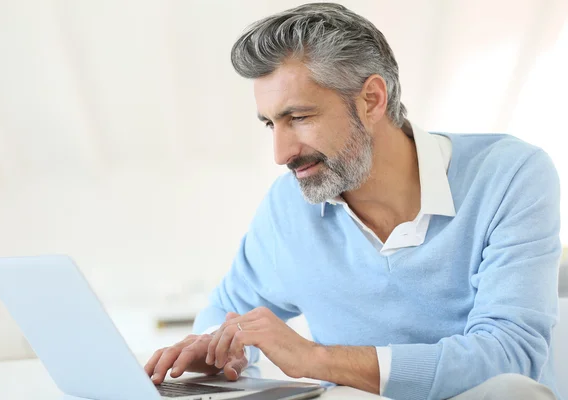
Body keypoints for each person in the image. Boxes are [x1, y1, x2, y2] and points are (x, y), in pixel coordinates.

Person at [145, 3, 562, 399]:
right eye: (271, 123)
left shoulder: (509, 175)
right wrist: (223, 349)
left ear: (372, 100)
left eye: (300, 117)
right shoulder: (289, 207)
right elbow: (228, 309)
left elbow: (510, 355)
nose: (281, 153)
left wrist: (315, 359)